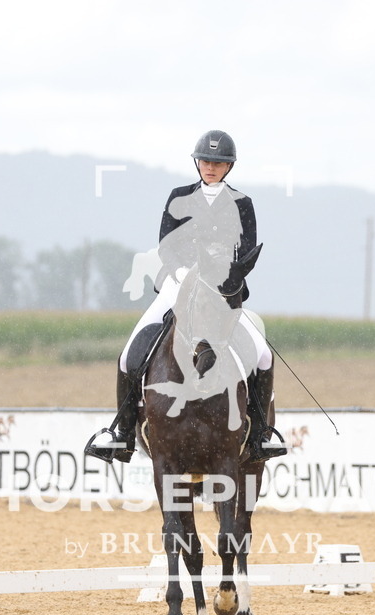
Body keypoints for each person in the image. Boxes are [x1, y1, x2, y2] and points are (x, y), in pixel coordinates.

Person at [84, 130, 285, 464]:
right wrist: (182, 275)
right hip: (178, 286)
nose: (211, 167)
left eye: (218, 163)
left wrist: (227, 278)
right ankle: (121, 434)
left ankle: (261, 435)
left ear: (229, 166)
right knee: (127, 356)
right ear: (197, 162)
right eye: (206, 161)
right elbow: (166, 244)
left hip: (222, 293)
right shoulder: (179, 197)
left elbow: (247, 251)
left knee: (262, 356)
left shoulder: (242, 204)